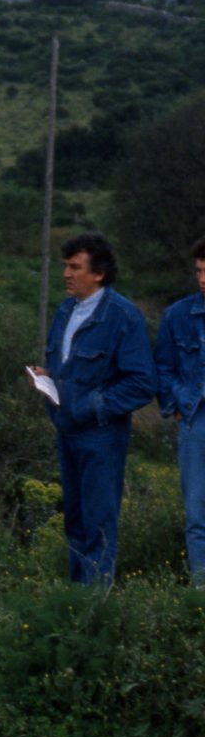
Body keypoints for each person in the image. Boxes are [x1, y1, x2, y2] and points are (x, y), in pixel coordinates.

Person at [31, 234, 157, 586]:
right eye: (65, 266)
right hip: (67, 430)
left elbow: (142, 383)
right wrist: (46, 377)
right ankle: (76, 599)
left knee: (99, 522)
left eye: (75, 267)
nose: (66, 274)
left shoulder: (122, 316)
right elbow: (68, 367)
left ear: (98, 273)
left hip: (102, 436)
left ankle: (95, 605)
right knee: (75, 521)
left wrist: (93, 405)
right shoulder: (66, 310)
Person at [154, 236, 205, 588]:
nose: (202, 279)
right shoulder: (177, 316)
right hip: (195, 418)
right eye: (199, 271)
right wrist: (175, 404)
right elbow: (163, 366)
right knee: (197, 513)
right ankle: (201, 591)